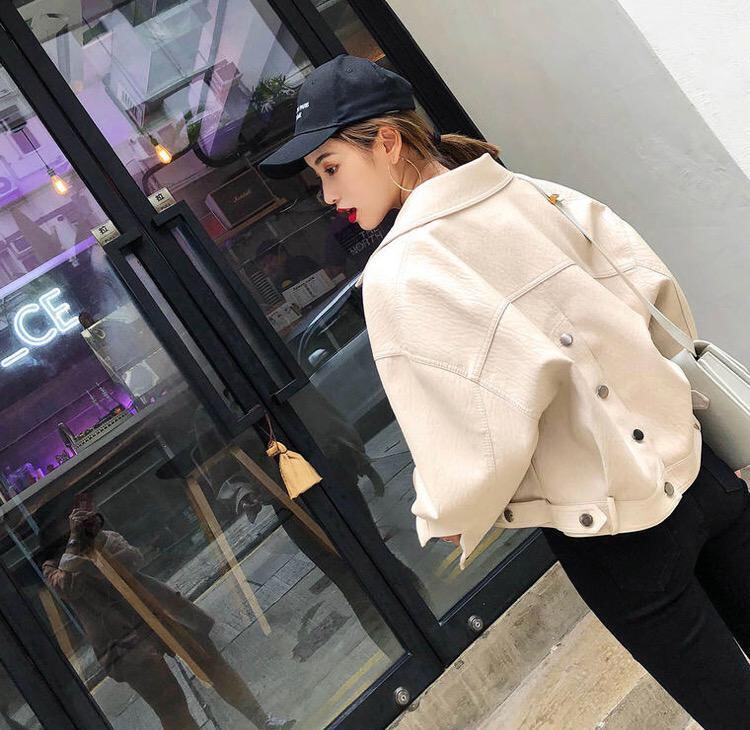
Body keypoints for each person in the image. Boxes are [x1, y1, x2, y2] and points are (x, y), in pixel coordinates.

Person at [259, 54, 750, 729]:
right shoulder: (536, 194)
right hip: (701, 476)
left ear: (389, 142)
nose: (326, 194)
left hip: (613, 531)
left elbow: (481, 437)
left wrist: (446, 511)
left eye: (331, 167)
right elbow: (656, 299)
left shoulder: (402, 271)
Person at [42, 507, 294, 730]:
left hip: (159, 609)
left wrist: (97, 538)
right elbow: (67, 589)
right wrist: (74, 545)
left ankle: (263, 720)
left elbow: (134, 558)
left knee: (213, 664)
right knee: (169, 703)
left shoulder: (100, 538)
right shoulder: (52, 566)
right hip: (121, 638)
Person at [254, 238, 319, 291]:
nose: (268, 267)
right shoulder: (275, 286)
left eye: (270, 260)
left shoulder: (301, 263)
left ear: (283, 254)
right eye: (264, 265)